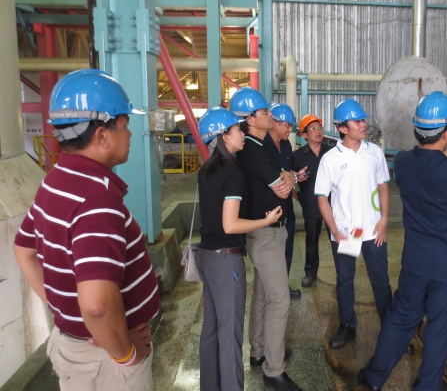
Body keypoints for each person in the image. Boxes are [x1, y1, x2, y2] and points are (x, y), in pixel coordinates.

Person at [13, 69, 160, 391]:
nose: (130, 135)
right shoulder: (98, 198)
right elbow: (96, 306)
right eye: (125, 125)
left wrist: (65, 311)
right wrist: (125, 355)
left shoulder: (55, 180)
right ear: (102, 136)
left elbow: (24, 250)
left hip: (75, 345)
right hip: (105, 362)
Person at [358, 91, 447, 391]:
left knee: (399, 319)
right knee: (439, 331)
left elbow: (433, 166)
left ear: (417, 130)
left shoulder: (403, 162)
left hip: (415, 263)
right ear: (446, 132)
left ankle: (374, 377)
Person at [195, 107, 283, 391]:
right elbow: (231, 225)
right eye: (236, 130)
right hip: (225, 262)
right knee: (230, 333)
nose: (241, 133)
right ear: (224, 137)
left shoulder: (206, 169)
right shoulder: (232, 172)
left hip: (206, 257)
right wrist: (266, 221)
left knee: (211, 330)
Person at [230, 87, 303, 391]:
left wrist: (287, 176)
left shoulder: (259, 147)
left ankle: (259, 351)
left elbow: (283, 179)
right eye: (264, 112)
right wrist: (291, 177)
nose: (270, 115)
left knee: (262, 294)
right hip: (266, 234)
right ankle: (274, 370)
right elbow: (283, 189)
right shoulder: (253, 150)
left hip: (266, 232)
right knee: (279, 300)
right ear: (250, 119)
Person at [315, 99, 394, 350]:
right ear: (342, 128)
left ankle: (391, 328)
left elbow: (383, 186)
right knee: (345, 280)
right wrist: (334, 230)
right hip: (345, 231)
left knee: (380, 280)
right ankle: (347, 325)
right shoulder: (330, 159)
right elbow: (322, 197)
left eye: (363, 120)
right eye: (357, 121)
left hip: (373, 229)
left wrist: (384, 219)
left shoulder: (375, 152)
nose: (363, 124)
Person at [264, 103, 304, 299]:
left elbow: (286, 173)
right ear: (274, 123)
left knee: (287, 251)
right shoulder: (262, 146)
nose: (290, 130)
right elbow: (278, 176)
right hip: (268, 210)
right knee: (270, 256)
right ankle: (271, 292)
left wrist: (296, 176)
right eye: (287, 125)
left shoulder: (287, 145)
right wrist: (291, 176)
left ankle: (282, 288)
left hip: (287, 208)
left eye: (291, 126)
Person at [291, 114, 331, 288]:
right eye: (312, 129)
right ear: (304, 134)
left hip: (333, 206)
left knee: (337, 240)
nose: (318, 131)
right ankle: (310, 273)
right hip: (311, 206)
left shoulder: (332, 152)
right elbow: (287, 178)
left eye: (319, 128)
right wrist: (298, 197)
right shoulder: (297, 156)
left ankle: (343, 273)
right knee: (311, 241)